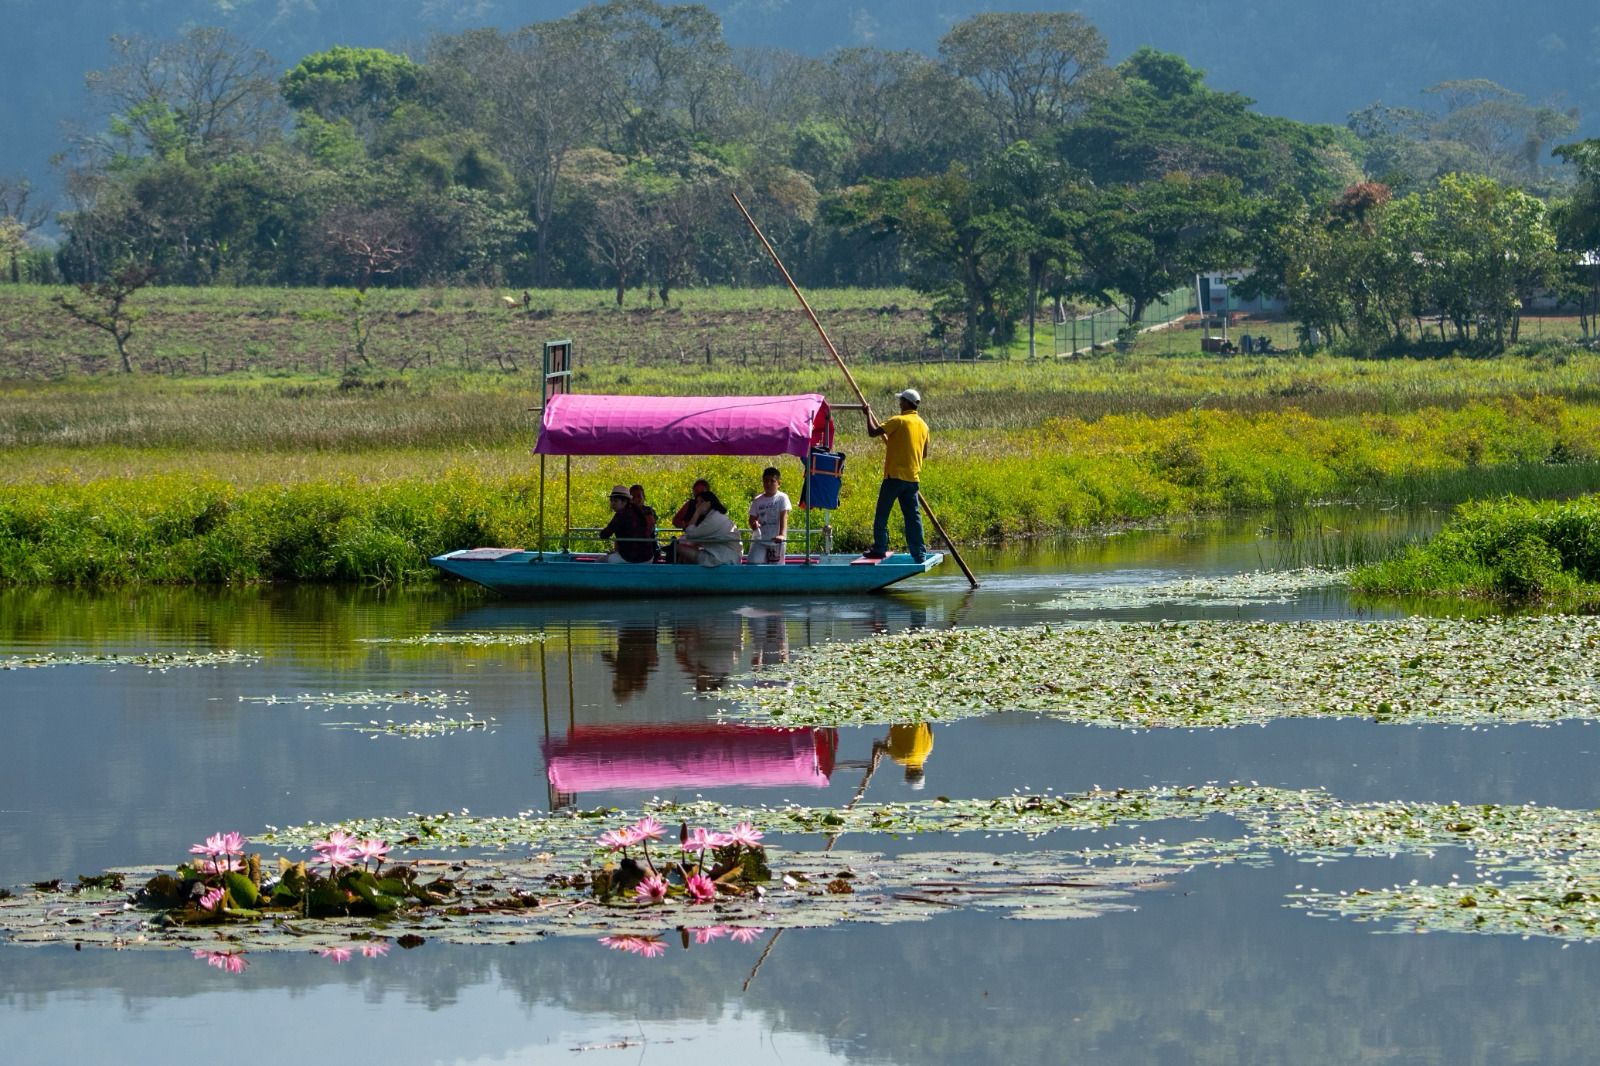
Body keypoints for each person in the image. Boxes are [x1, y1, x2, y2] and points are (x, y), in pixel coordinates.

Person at [863, 388, 929, 562]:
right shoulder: (923, 425)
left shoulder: (898, 421)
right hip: (912, 479)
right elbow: (924, 454)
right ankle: (919, 553)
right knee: (913, 518)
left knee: (882, 515)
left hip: (894, 478)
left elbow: (873, 432)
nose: (899, 403)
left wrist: (867, 414)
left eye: (901, 401)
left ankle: (879, 548)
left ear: (907, 403)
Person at [674, 490, 741, 567]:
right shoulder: (716, 515)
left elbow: (690, 533)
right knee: (688, 545)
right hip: (724, 555)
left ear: (708, 503)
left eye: (700, 502)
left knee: (679, 548)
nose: (697, 505)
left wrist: (697, 512)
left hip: (722, 559)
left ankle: (687, 575)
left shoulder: (714, 519)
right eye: (697, 502)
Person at [745, 466, 791, 565]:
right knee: (753, 563)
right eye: (766, 481)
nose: (768, 484)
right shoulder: (757, 500)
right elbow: (752, 518)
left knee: (776, 569)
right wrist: (754, 524)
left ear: (778, 483)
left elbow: (784, 516)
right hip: (760, 540)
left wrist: (782, 535)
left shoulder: (782, 498)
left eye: (772, 481)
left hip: (776, 540)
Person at [598, 484, 655, 563]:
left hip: (631, 558)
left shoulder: (621, 514)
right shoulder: (637, 511)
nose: (612, 504)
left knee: (599, 561)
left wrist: (601, 533)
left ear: (624, 501)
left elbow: (604, 534)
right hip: (648, 557)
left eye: (616, 501)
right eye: (611, 501)